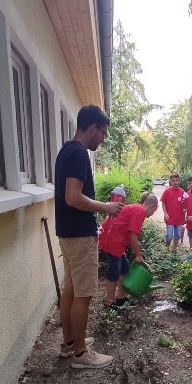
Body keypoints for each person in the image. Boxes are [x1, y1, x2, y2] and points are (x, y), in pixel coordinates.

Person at [55, 105, 124, 369]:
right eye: (103, 133)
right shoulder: (79, 153)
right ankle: (81, 354)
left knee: (71, 290)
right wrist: (106, 207)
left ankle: (69, 343)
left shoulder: (65, 150)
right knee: (83, 295)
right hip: (80, 235)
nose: (103, 139)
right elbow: (72, 197)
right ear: (92, 127)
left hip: (67, 232)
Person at [98, 193, 159, 309]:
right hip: (112, 239)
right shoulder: (140, 211)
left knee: (124, 268)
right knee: (113, 272)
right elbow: (132, 235)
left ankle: (120, 298)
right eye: (154, 211)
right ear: (152, 206)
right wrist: (138, 255)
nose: (152, 214)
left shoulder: (137, 209)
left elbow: (130, 233)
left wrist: (138, 247)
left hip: (115, 238)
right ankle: (109, 302)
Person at [160, 173, 185, 251]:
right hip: (170, 218)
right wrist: (165, 213)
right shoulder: (167, 191)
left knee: (177, 235)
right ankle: (166, 249)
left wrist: (185, 210)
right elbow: (163, 203)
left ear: (179, 181)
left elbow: (185, 204)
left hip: (179, 218)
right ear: (170, 181)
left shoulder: (182, 192)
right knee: (169, 236)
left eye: (176, 180)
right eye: (173, 181)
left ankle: (174, 250)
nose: (175, 182)